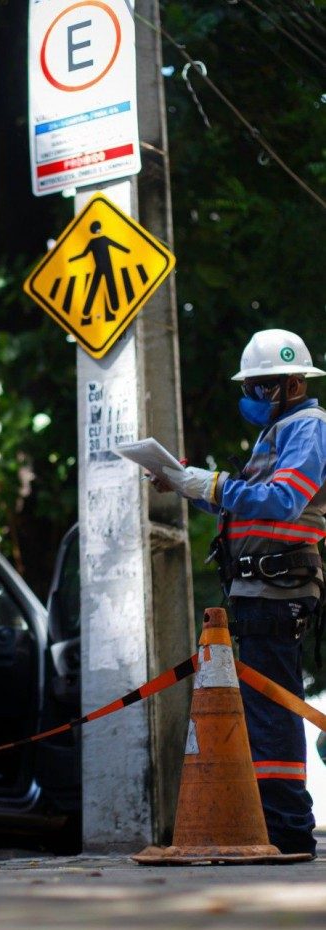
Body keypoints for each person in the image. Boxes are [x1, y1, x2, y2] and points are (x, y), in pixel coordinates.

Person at [155, 329, 326, 858]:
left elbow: (282, 501)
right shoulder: (278, 431)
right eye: (250, 385)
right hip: (260, 587)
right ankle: (277, 824)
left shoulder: (308, 427)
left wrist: (208, 485)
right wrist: (187, 483)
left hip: (280, 587)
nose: (251, 395)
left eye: (261, 386)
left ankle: (286, 829)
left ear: (293, 383)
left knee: (272, 707)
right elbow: (246, 503)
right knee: (262, 706)